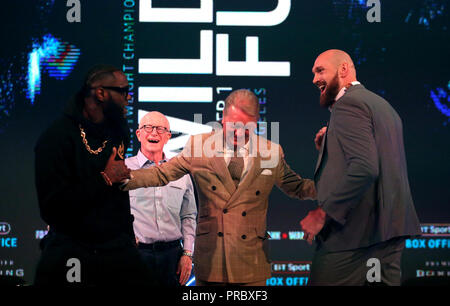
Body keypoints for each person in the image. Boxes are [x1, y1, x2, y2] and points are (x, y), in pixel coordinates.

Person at [116, 89, 316, 286]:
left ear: (256, 122)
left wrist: (337, 188)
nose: (238, 132)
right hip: (212, 262)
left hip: (252, 263)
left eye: (245, 126)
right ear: (223, 119)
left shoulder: (270, 152)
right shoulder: (199, 146)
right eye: (233, 125)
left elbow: (297, 187)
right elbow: (162, 173)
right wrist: (121, 177)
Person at [300, 49, 421, 285]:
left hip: (353, 239)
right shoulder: (384, 107)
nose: (315, 79)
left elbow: (365, 168)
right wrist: (331, 148)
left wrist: (323, 213)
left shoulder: (348, 104)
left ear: (344, 69)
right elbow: (378, 161)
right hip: (387, 236)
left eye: (320, 70)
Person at [34, 64, 154, 286]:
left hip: (116, 246)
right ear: (101, 93)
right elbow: (52, 209)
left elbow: (117, 193)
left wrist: (128, 235)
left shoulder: (118, 131)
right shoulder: (56, 139)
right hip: (73, 247)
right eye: (124, 91)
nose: (128, 99)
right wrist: (104, 179)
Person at [125, 111, 197, 286]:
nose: (154, 133)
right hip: (134, 255)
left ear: (168, 137)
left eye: (160, 129)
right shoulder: (124, 170)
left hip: (172, 257)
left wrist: (187, 254)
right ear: (138, 134)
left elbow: (188, 216)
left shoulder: (181, 172)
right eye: (148, 127)